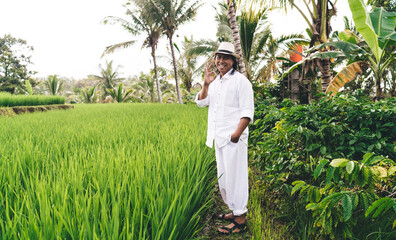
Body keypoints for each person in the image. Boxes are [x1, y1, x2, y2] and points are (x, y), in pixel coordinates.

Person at [195, 42, 254, 234]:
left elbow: (247, 111)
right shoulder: (215, 83)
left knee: (236, 178)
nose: (221, 61)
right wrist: (205, 84)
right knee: (225, 179)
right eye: (218, 57)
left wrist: (236, 135)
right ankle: (233, 210)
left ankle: (240, 219)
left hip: (233, 138)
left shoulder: (241, 81)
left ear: (233, 61)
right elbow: (202, 103)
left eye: (225, 58)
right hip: (218, 138)